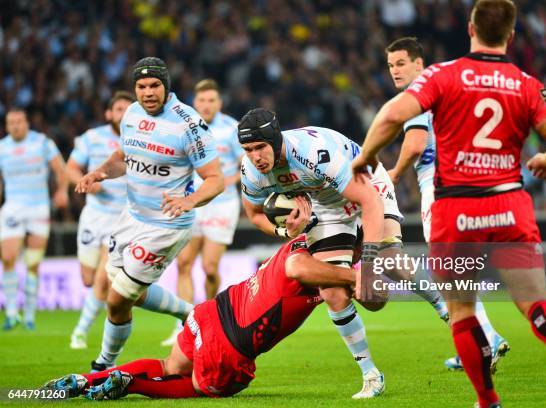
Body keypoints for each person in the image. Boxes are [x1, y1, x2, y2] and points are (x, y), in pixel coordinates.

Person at [353, 1, 546, 407]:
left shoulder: (443, 75)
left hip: (455, 207)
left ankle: (488, 400)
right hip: (508, 203)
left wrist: (366, 158)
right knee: (534, 299)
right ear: (512, 35)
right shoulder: (526, 83)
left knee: (461, 309)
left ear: (470, 28)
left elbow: (393, 116)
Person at [42, 215, 360, 400]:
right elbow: (297, 268)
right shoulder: (319, 265)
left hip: (209, 311)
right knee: (207, 387)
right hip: (231, 344)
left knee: (168, 366)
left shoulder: (304, 242)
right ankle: (131, 384)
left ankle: (86, 379)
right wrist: (354, 275)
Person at [75, 57, 225, 373]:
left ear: (166, 86)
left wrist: (190, 201)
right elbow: (124, 157)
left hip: (166, 225)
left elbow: (216, 179)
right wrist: (100, 173)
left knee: (116, 300)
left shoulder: (188, 123)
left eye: (154, 85)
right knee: (123, 286)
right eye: (141, 87)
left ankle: (103, 366)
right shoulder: (130, 113)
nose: (148, 92)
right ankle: (191, 313)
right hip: (130, 217)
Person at [238, 108, 389, 398]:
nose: (255, 156)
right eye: (248, 149)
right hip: (328, 209)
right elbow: (253, 213)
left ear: (276, 140)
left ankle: (454, 315)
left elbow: (369, 200)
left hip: (370, 185)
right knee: (340, 294)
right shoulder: (250, 171)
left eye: (260, 147)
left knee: (393, 260)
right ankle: (371, 374)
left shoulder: (314, 153)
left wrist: (369, 266)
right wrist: (285, 233)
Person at [385, 37, 509, 372]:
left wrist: (393, 174)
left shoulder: (416, 96)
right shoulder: (442, 90)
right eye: (391, 65)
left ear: (418, 64)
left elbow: (415, 144)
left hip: (439, 188)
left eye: (400, 63)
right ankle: (481, 339)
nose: (395, 71)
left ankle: (484, 340)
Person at [161, 79, 243, 347]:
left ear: (219, 103)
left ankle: (208, 318)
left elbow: (246, 165)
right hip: (191, 202)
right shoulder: (185, 126)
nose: (206, 105)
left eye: (211, 101)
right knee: (183, 264)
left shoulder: (232, 129)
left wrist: (221, 182)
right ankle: (183, 325)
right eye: (202, 101)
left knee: (209, 268)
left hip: (222, 203)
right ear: (195, 103)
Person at [68, 91, 134, 349]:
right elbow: (70, 168)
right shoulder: (91, 138)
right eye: (118, 109)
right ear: (109, 113)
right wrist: (84, 181)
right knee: (88, 278)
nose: (123, 114)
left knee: (102, 277)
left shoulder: (140, 139)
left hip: (121, 219)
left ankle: (80, 332)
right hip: (94, 216)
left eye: (128, 109)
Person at [0, 108, 69, 330]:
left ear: (27, 123)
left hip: (38, 209)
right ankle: (11, 313)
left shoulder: (42, 143)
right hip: (12, 209)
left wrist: (61, 191)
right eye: (11, 122)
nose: (16, 126)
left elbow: (61, 169)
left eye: (19, 121)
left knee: (33, 263)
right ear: (7, 125)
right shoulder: (2, 147)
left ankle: (29, 315)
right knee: (8, 257)